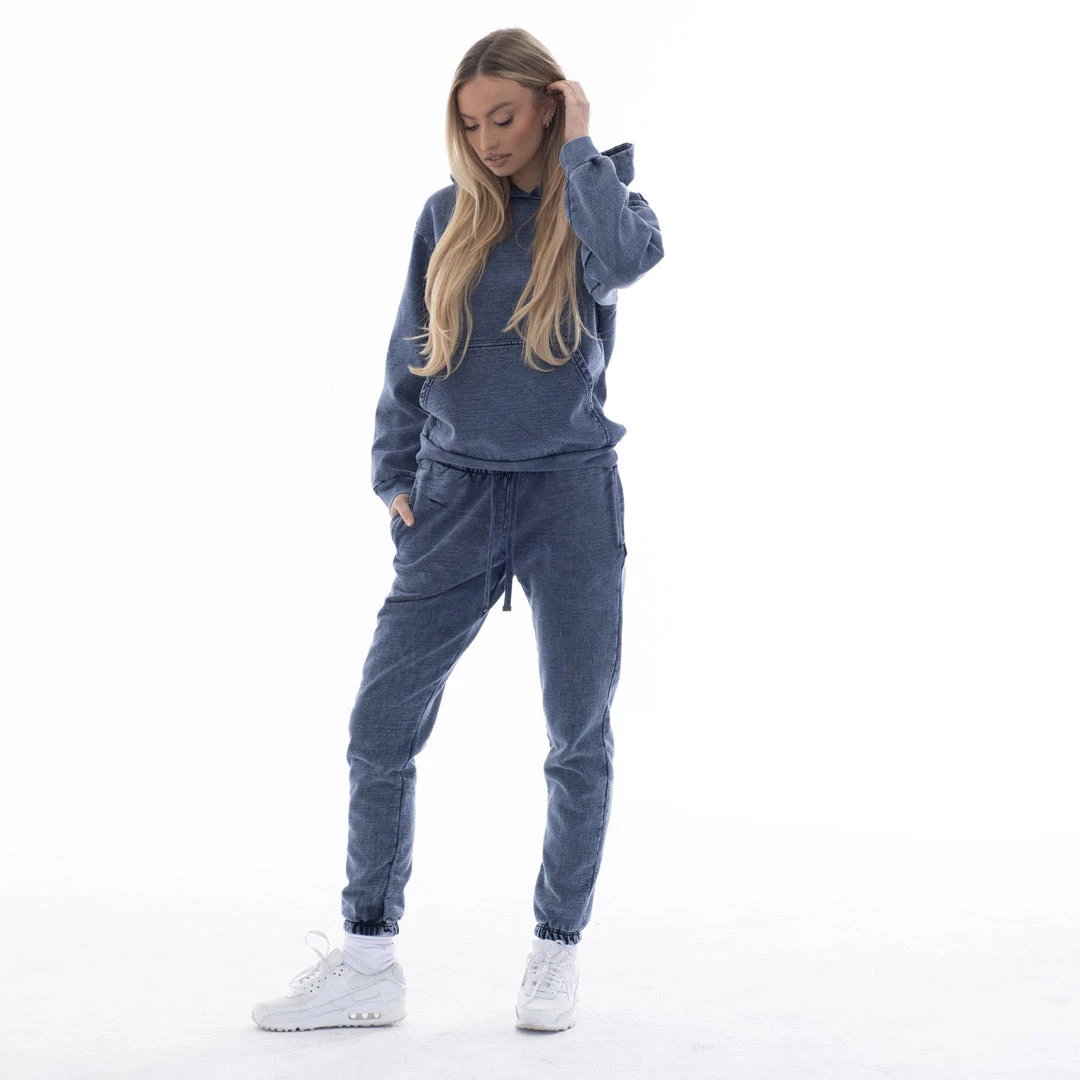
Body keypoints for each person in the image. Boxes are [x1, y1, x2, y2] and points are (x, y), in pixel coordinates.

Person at [251, 26, 663, 1034]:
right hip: (453, 499)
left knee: (577, 736)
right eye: (471, 125)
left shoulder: (602, 205)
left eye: (506, 117)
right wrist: (394, 474)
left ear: (550, 106)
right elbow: (411, 348)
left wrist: (581, 144)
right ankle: (367, 961)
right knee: (380, 726)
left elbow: (630, 260)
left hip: (570, 498)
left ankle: (556, 949)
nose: (488, 141)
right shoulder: (447, 216)